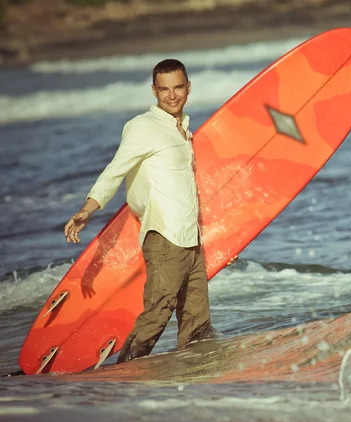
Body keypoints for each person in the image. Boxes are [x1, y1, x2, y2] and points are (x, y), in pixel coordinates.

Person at [63, 59, 231, 363]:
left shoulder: (183, 131)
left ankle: (195, 375)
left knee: (197, 322)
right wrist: (90, 207)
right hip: (165, 236)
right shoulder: (143, 127)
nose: (171, 95)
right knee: (157, 312)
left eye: (178, 87)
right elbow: (115, 169)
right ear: (153, 91)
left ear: (188, 88)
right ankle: (124, 373)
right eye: (163, 89)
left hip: (189, 239)